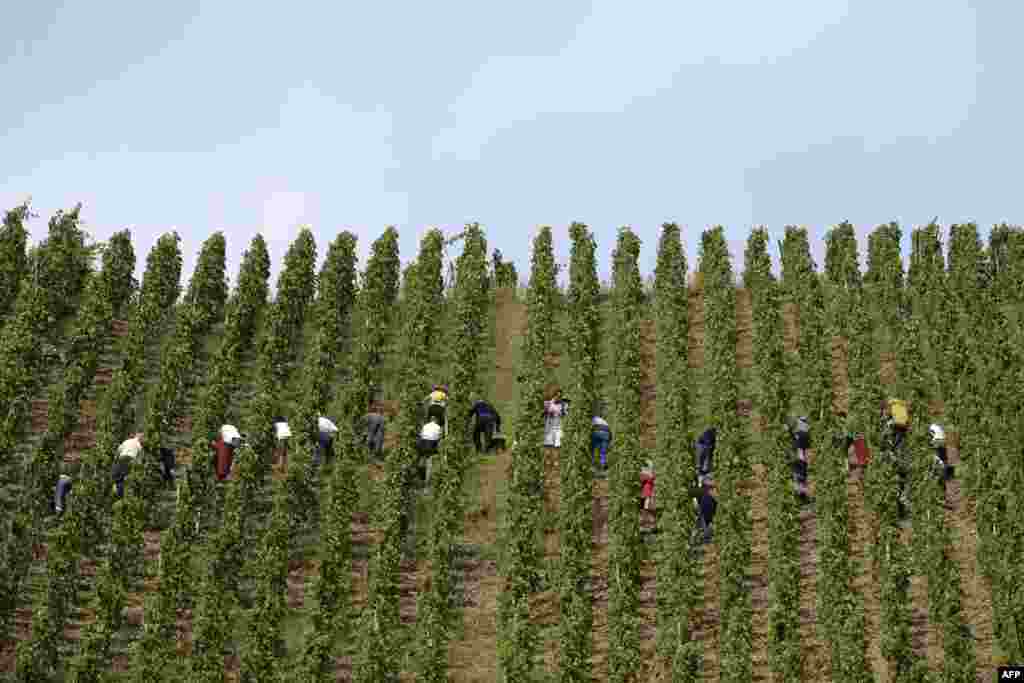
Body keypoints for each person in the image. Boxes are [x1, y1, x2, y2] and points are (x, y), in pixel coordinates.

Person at [112, 432, 144, 498]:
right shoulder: (139, 445)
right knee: (125, 477)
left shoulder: (126, 441)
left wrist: (115, 460)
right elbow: (139, 460)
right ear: (140, 438)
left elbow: (118, 450)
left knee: (118, 477)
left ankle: (118, 491)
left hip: (122, 458)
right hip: (130, 460)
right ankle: (122, 494)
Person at [788, 416, 811, 501]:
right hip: (800, 466)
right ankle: (801, 424)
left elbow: (796, 479)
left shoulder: (797, 487)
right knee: (799, 448)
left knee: (798, 448)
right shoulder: (800, 487)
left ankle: (799, 425)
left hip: (798, 466)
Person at [417, 417, 443, 483]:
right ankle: (427, 480)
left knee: (422, 459)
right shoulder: (438, 427)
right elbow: (440, 437)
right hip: (431, 444)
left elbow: (420, 434)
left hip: (423, 443)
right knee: (429, 461)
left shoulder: (425, 426)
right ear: (436, 421)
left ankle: (421, 475)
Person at [929, 423, 954, 494]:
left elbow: (934, 436)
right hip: (942, 441)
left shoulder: (932, 428)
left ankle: (945, 478)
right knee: (942, 459)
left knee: (939, 459)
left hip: (939, 441)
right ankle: (947, 476)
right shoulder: (937, 427)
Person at [693, 477, 717, 544]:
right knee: (705, 529)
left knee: (706, 529)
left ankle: (705, 538)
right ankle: (705, 539)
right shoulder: (703, 493)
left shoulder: (704, 493)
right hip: (706, 515)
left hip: (708, 514)